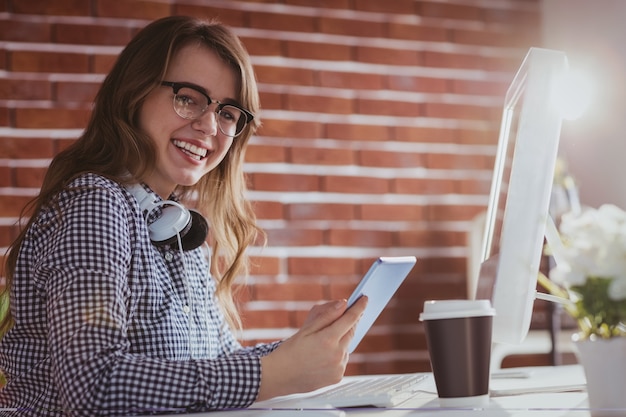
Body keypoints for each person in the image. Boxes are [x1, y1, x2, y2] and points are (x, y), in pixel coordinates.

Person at [0, 15, 367, 416]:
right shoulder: (95, 205)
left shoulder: (179, 230)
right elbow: (93, 384)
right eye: (188, 97)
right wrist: (271, 373)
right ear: (133, 93)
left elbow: (217, 363)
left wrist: (298, 351)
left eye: (228, 112)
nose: (209, 124)